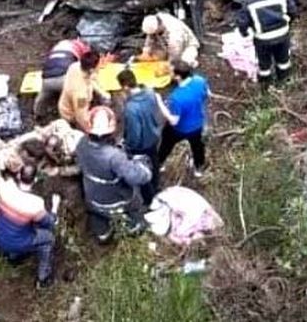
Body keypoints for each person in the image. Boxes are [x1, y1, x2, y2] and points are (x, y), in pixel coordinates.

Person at [74, 107, 153, 243]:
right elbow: (137, 177)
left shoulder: (81, 144)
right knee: (134, 206)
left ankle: (102, 235)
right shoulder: (114, 157)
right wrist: (143, 167)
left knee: (98, 215)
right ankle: (133, 228)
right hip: (116, 200)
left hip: (93, 197)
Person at [0, 165, 60, 288]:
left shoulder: (5, 187)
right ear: (35, 180)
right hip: (17, 242)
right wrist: (55, 207)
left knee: (15, 227)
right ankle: (43, 278)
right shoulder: (35, 203)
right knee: (48, 239)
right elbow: (50, 223)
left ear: (19, 175)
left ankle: (13, 258)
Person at [238, 0, 298, 86]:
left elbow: (243, 23)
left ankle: (266, 89)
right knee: (284, 61)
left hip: (262, 40)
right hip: (283, 35)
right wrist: (286, 23)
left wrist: (245, 33)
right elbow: (293, 12)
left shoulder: (248, 1)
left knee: (264, 66)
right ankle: (285, 84)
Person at [155, 61, 210, 178]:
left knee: (165, 145)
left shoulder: (177, 97)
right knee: (198, 147)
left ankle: (159, 164)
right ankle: (198, 169)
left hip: (179, 129)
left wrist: (160, 103)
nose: (168, 72)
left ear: (178, 76)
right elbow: (207, 94)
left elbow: (173, 121)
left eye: (170, 71)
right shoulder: (199, 80)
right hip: (197, 125)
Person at [119, 69, 161, 205]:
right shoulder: (150, 93)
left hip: (141, 146)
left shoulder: (131, 108)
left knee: (142, 173)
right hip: (154, 136)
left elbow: (134, 134)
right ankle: (157, 185)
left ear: (125, 86)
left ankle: (149, 200)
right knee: (154, 163)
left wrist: (128, 145)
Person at [35, 37, 91, 120]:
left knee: (43, 96)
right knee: (72, 96)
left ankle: (38, 114)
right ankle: (72, 118)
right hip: (63, 77)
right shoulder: (81, 48)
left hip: (46, 77)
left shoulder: (60, 45)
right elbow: (84, 66)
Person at [58, 49, 111, 132]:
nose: (101, 66)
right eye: (99, 65)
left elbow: (91, 79)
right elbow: (81, 117)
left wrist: (102, 93)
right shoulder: (81, 95)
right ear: (91, 70)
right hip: (71, 116)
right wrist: (91, 130)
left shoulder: (75, 66)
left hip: (66, 102)